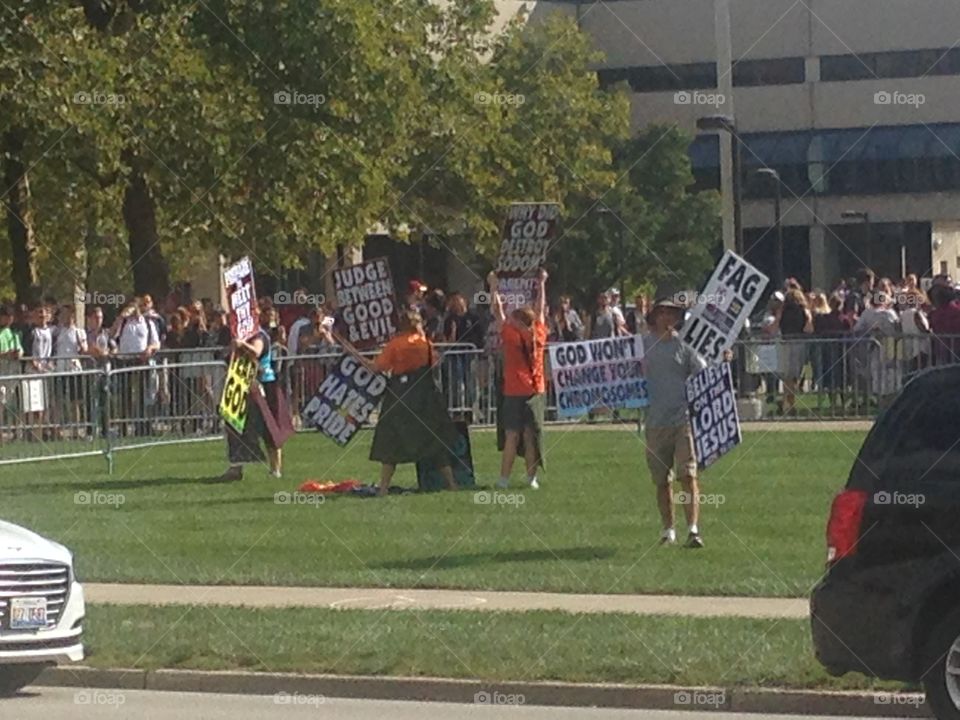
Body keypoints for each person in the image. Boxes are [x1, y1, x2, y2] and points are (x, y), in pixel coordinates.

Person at [342, 309, 459, 496]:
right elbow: (435, 363)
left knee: (391, 442)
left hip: (401, 396)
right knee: (434, 441)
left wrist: (354, 354)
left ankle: (383, 488)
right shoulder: (425, 343)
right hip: (426, 397)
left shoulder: (395, 345)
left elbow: (376, 367)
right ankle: (452, 484)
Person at [642, 295, 707, 548]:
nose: (668, 318)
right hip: (655, 423)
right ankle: (668, 529)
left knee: (688, 475)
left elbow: (704, 373)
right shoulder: (643, 346)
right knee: (661, 481)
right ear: (655, 317)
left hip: (683, 422)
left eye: (672, 313)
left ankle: (693, 529)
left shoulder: (685, 348)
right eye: (663, 313)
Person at [216, 310, 294, 482]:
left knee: (269, 430)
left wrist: (241, 344)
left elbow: (256, 352)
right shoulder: (240, 337)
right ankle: (235, 468)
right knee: (235, 425)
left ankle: (275, 470)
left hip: (263, 386)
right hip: (243, 386)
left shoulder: (258, 336)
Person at [488, 269, 548, 490]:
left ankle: (504, 479)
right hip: (536, 389)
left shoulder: (510, 334)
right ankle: (531, 478)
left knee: (511, 436)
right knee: (530, 436)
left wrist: (494, 285)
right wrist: (541, 283)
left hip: (513, 390)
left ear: (518, 320)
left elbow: (497, 309)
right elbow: (540, 307)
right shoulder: (539, 333)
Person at [53, 304, 88, 436]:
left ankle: (76, 429)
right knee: (58, 400)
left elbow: (84, 349)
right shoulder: (58, 331)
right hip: (60, 368)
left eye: (66, 314)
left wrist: (82, 347)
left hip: (74, 369)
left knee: (75, 401)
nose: (64, 317)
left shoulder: (79, 332)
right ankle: (57, 429)